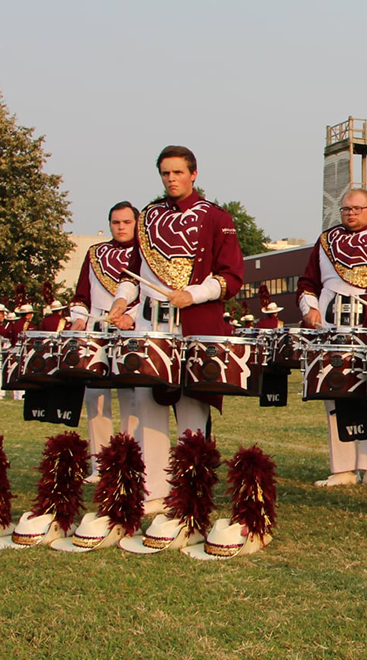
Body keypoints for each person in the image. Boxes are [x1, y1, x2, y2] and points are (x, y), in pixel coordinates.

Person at [104, 145, 244, 515]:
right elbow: (132, 273)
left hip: (194, 326)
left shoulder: (216, 217)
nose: (171, 179)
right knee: (147, 409)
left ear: (193, 173)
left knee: (192, 413)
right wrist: (121, 301)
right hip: (150, 326)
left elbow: (232, 278)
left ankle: (190, 491)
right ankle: (152, 492)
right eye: (165, 173)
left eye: (178, 172)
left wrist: (193, 295)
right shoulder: (147, 216)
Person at [299, 187, 367, 489]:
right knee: (334, 395)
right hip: (332, 332)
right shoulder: (326, 241)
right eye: (346, 209)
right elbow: (307, 282)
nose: (351, 214)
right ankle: (342, 469)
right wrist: (310, 308)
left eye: (357, 208)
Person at [71, 201, 141, 483]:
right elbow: (81, 295)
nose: (121, 227)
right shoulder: (95, 253)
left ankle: (130, 461)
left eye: (126, 222)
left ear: (136, 224)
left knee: (132, 397)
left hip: (132, 330)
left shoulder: (146, 254)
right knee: (95, 398)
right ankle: (100, 464)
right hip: (97, 330)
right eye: (116, 222)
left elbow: (147, 296)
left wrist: (132, 319)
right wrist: (78, 318)